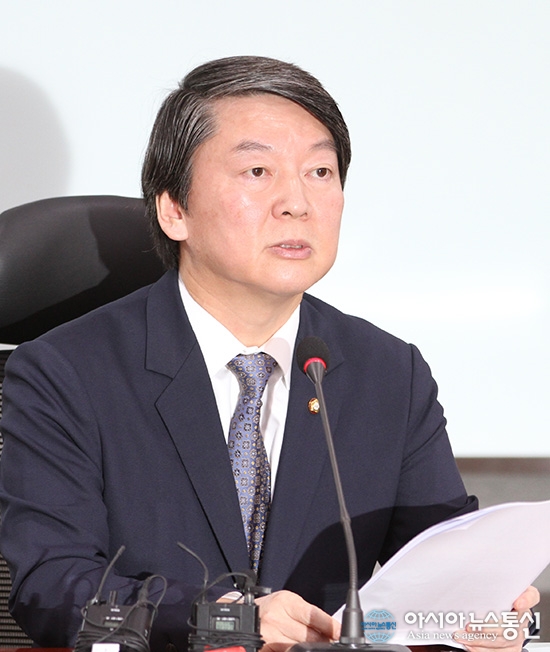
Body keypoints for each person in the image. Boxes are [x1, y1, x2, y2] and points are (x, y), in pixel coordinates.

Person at [0, 56, 538, 652]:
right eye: (258, 171)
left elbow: (445, 564)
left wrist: (482, 609)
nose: (296, 203)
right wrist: (223, 621)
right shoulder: (64, 372)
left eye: (320, 172)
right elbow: (51, 588)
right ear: (174, 209)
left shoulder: (389, 373)